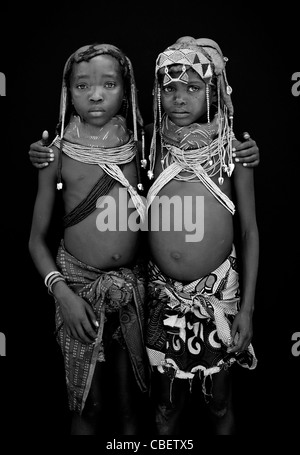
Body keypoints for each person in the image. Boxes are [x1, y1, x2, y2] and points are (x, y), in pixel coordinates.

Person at [28, 43, 150, 436]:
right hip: (78, 290)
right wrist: (64, 295)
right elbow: (35, 241)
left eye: (108, 84)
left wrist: (239, 149)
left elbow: (201, 144)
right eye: (82, 86)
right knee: (87, 404)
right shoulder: (56, 154)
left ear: (126, 90)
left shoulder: (143, 147)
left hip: (129, 291)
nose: (95, 95)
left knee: (131, 405)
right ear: (68, 93)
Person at [144, 36, 259, 435]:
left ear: (214, 93)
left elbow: (248, 231)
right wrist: (46, 151)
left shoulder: (234, 153)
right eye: (170, 88)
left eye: (193, 87)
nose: (179, 98)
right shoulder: (150, 145)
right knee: (165, 406)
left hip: (218, 293)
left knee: (219, 402)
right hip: (162, 293)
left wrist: (247, 309)